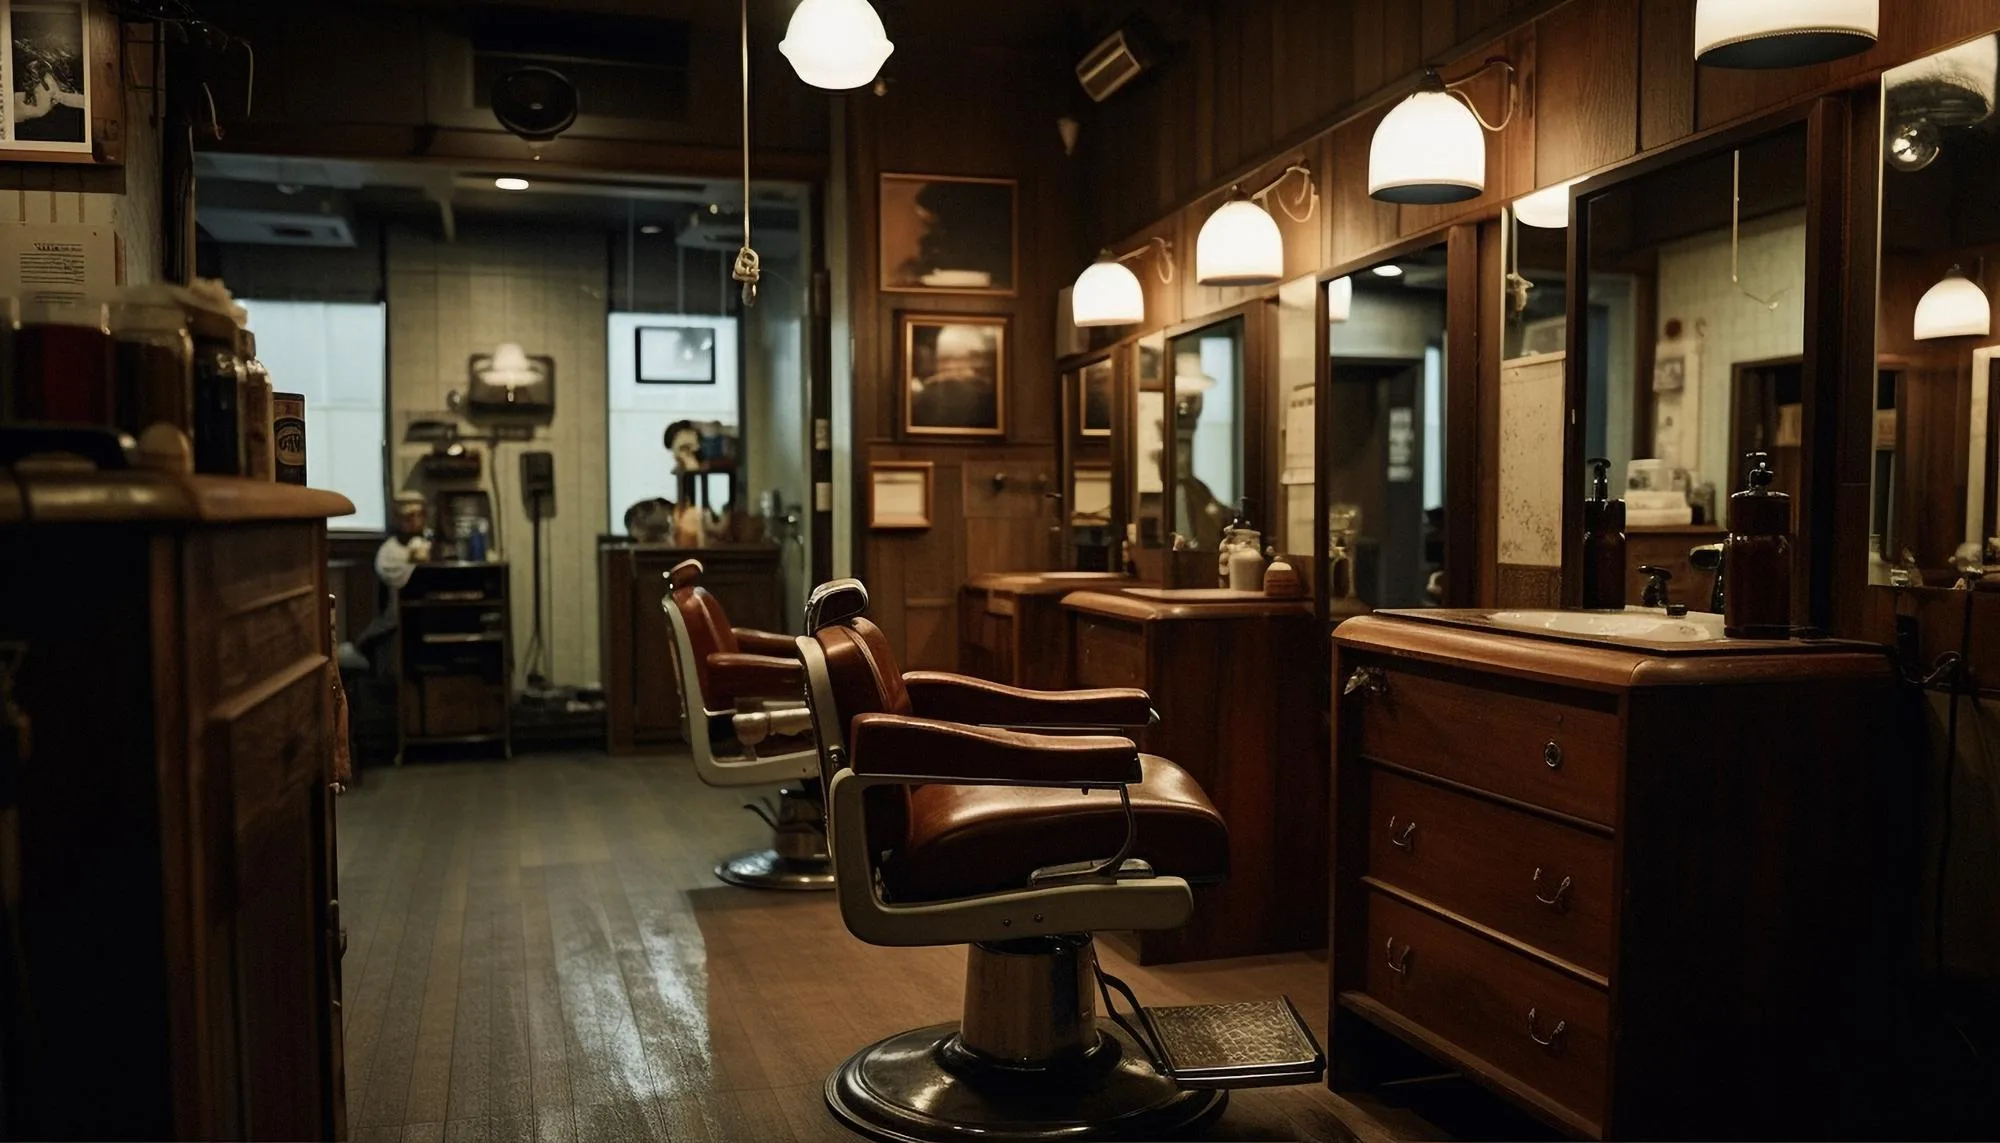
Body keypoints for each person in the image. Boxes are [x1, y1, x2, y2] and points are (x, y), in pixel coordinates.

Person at [374, 496, 433, 591]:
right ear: (398, 518)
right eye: (409, 517)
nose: (415, 522)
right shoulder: (389, 550)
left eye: (419, 515)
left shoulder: (433, 542)